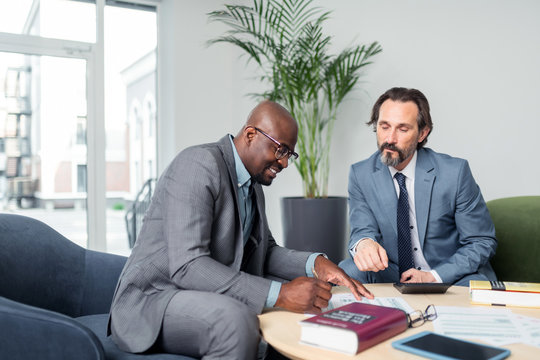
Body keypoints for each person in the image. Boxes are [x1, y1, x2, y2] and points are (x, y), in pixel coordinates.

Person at [108, 100, 373, 359]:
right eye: (280, 150)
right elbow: (188, 265)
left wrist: (316, 263)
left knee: (309, 304)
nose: (284, 164)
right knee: (235, 319)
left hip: (200, 293)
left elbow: (264, 251)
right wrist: (281, 294)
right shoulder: (198, 164)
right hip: (156, 298)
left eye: (289, 154)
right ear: (250, 135)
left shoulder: (253, 184)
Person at [339, 87, 497, 287]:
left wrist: (434, 276)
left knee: (476, 288)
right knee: (345, 271)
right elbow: (362, 228)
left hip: (449, 273)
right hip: (392, 271)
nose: (390, 139)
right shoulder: (360, 174)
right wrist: (364, 243)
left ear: (422, 133)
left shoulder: (455, 173)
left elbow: (481, 241)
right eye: (384, 126)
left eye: (402, 129)